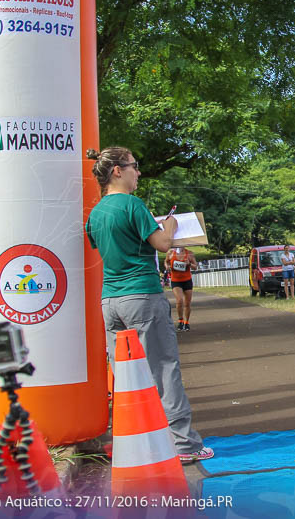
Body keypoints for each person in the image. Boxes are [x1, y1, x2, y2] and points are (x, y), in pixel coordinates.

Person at [84, 147, 212, 463]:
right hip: (142, 295)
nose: (138, 172)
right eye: (134, 166)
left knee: (126, 376)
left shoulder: (96, 213)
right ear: (117, 171)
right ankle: (184, 445)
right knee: (163, 368)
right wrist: (167, 226)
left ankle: (136, 441)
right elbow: (162, 244)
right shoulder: (133, 205)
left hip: (110, 300)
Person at [165, 246, 198, 331]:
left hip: (187, 280)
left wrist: (189, 264)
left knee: (187, 303)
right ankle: (180, 321)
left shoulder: (189, 253)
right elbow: (166, 262)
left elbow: (195, 267)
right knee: (179, 300)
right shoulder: (171, 253)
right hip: (176, 280)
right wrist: (167, 266)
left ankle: (187, 323)